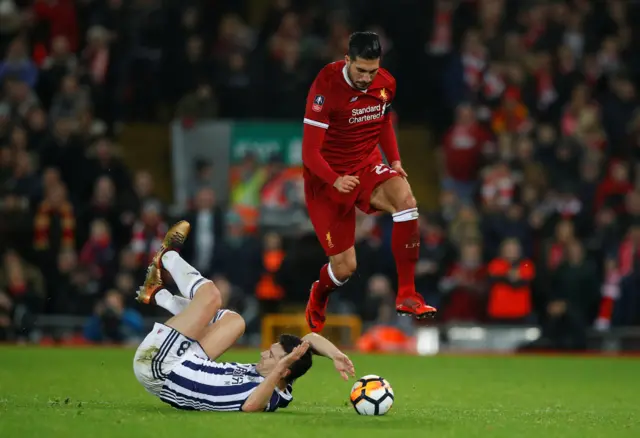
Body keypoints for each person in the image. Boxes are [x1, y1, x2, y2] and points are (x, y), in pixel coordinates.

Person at [133, 221, 355, 412]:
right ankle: (157, 294)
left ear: (283, 370)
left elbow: (251, 407)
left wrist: (280, 365)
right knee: (235, 321)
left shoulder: (268, 396)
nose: (262, 353)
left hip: (161, 366)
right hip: (188, 362)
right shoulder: (281, 382)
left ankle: (167, 255)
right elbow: (309, 339)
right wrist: (335, 354)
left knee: (211, 297)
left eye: (270, 356)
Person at [302, 31, 437, 332]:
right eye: (360, 70)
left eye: (372, 71)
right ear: (347, 59)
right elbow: (310, 153)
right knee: (345, 269)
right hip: (326, 181)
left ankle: (407, 294)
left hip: (366, 166)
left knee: (406, 201)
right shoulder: (326, 85)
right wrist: (335, 180)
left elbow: (383, 121)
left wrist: (396, 160)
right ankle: (319, 293)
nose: (366, 77)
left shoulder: (385, 83)